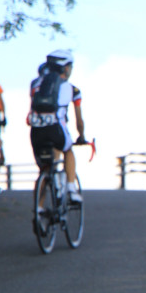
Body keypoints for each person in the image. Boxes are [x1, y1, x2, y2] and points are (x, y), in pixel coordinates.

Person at [28, 50, 85, 203]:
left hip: (36, 132)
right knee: (68, 150)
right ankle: (71, 189)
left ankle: (39, 210)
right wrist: (81, 136)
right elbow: (79, 121)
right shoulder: (72, 89)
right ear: (65, 68)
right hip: (55, 130)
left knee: (44, 170)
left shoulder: (35, 84)